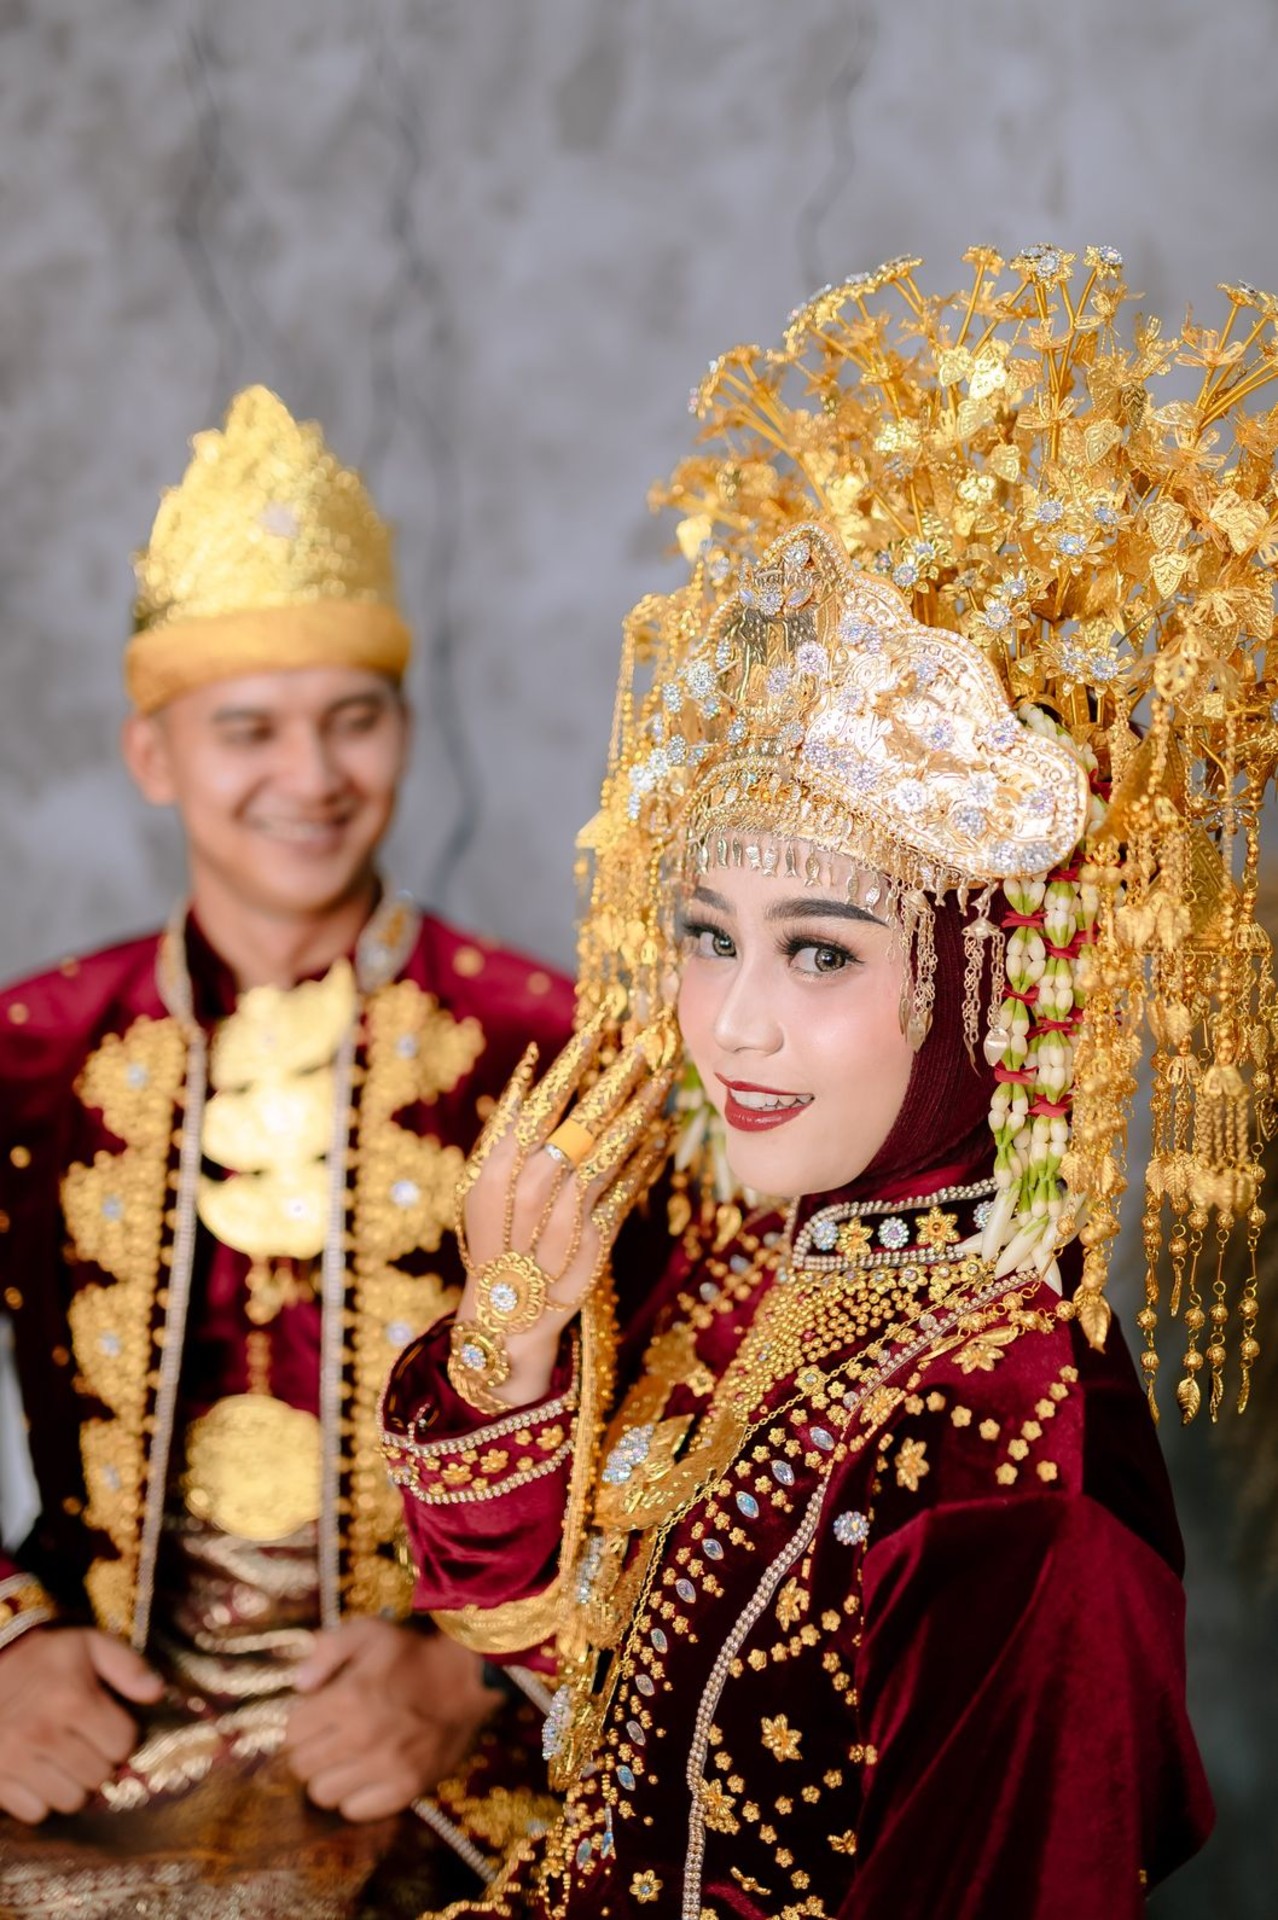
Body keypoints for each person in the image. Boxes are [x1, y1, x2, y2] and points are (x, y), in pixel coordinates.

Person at [381, 248, 1278, 1915]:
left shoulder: (1013, 1448)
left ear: (985, 984)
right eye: (706, 937)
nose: (730, 1027)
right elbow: (537, 1650)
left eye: (817, 953)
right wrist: (511, 1353)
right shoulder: (756, 1262)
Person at [0, 386, 574, 1915]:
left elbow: (671, 1404)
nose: (311, 777)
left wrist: (468, 1670)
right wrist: (8, 1644)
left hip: (427, 1733)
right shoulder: (34, 1045)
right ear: (151, 754)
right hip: (90, 1703)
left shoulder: (542, 1042)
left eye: (354, 718)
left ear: (406, 728)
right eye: (248, 728)